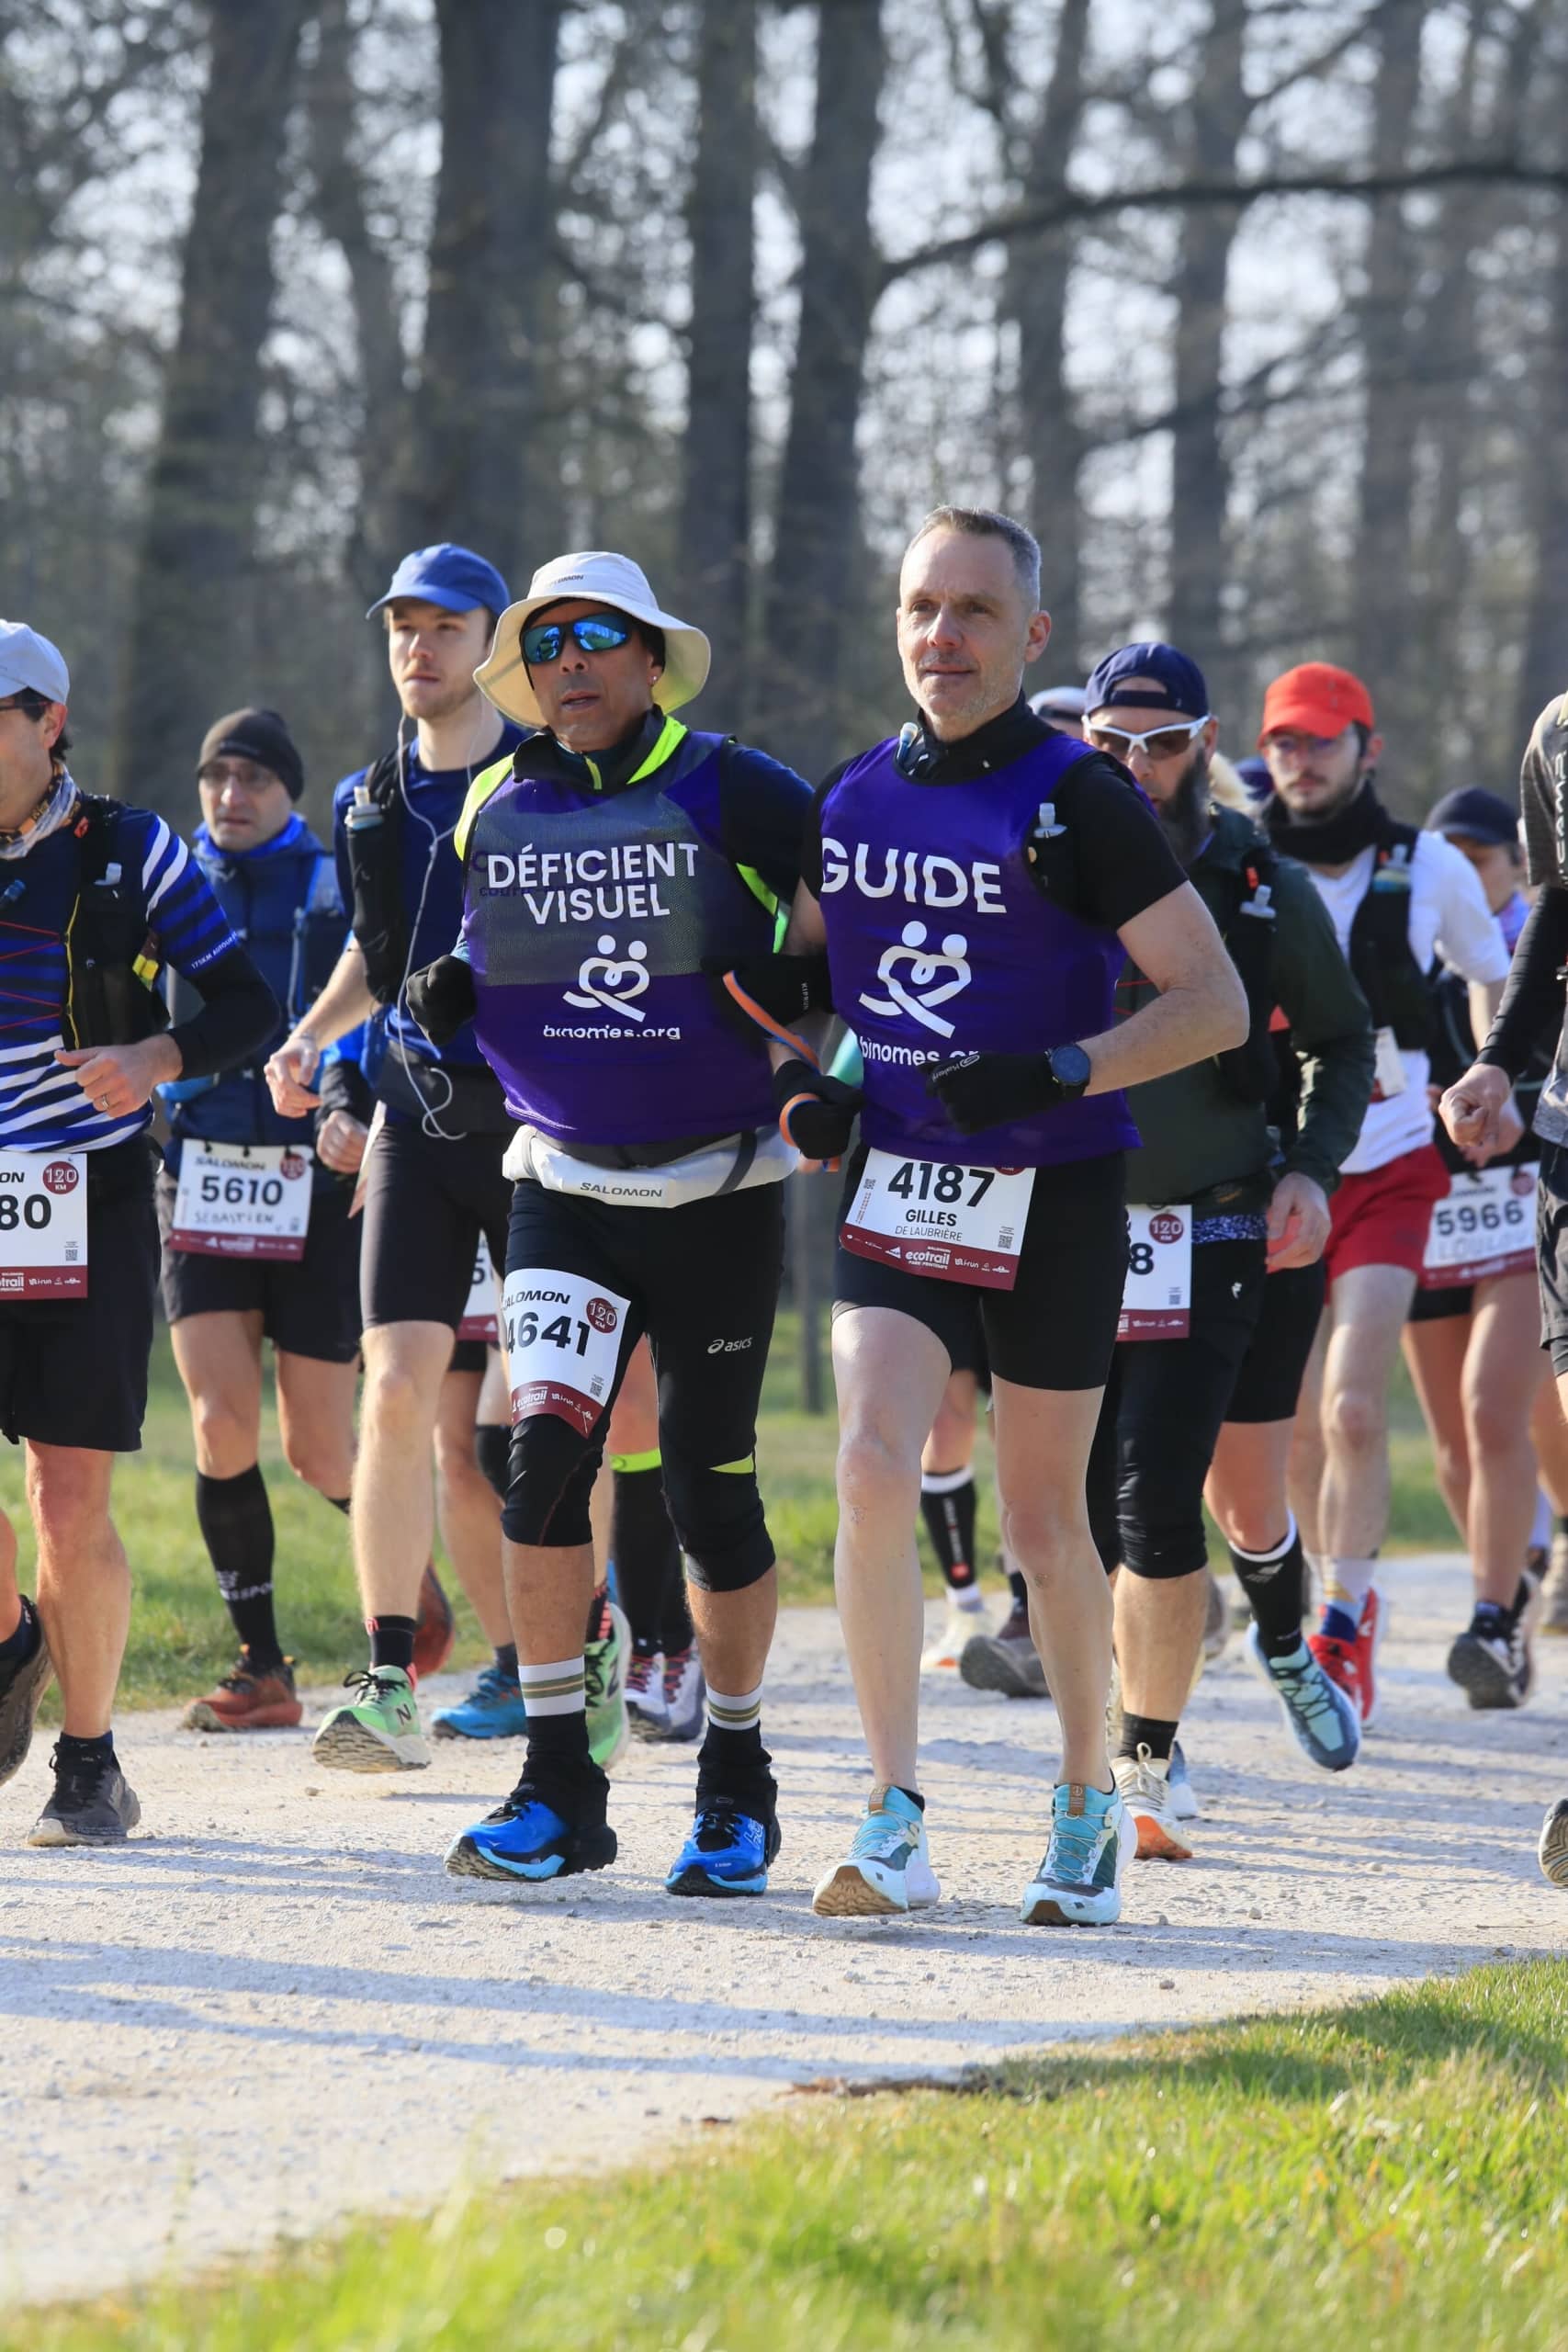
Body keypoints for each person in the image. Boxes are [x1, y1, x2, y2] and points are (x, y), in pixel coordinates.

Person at [767, 508, 1247, 1926]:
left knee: (1046, 1519)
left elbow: (1208, 1004)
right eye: (922, 607)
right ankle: (892, 1812)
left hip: (1055, 1188)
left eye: (975, 612)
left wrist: (1057, 1068)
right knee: (867, 1459)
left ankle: (1086, 1797)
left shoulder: (1076, 798)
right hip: (902, 1184)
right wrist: (818, 1088)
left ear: (1030, 636)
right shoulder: (849, 796)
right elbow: (818, 993)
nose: (943, 637)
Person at [410, 548, 813, 1896]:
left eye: (598, 638)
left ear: (651, 661)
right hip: (561, 1188)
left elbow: (853, 965)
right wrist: (441, 1009)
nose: (569, 662)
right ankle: (556, 1790)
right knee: (537, 1472)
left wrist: (804, 1028)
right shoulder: (488, 802)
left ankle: (735, 1785)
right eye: (548, 643)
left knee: (708, 1489)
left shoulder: (741, 789)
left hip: (716, 1189)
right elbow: (449, 970)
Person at [265, 544, 586, 1770]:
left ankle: (580, 1649)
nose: (417, 647)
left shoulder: (549, 778)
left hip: (540, 1124)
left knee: (550, 1410)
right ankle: (389, 1677)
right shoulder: (367, 800)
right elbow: (376, 949)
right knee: (392, 1390)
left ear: (491, 640)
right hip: (411, 1116)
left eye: (443, 626)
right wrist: (311, 1039)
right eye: (400, 625)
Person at [1073, 644, 1373, 1861]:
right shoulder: (1038, 866)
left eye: (1161, 742)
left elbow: (1341, 1041)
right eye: (1111, 744)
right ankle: (1136, 1729)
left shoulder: (1251, 874)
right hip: (1067, 1218)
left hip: (1218, 1217)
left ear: (1203, 744)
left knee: (1212, 1493)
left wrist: (1308, 1167)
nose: (1136, 767)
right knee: (1086, 1498)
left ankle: (1272, 1653)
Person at [0, 622, 275, 1841]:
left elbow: (249, 1004)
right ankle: (16, 1639)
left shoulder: (127, 852)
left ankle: (91, 1759)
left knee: (66, 1492)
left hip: (87, 1197)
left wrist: (154, 1057)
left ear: (46, 722)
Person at [1257, 662, 1508, 1726]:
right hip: (1274, 1168)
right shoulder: (1241, 856)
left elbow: (1497, 965)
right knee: (1292, 1423)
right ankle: (1327, 1593)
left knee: (1356, 1402)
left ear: (1369, 747)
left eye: (1320, 740)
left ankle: (1344, 1625)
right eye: (1283, 743)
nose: (1300, 762)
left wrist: (1498, 1067)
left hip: (1395, 1158)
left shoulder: (1430, 862)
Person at [155, 707, 366, 1733]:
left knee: (322, 1450)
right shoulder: (161, 881)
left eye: (254, 779)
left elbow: (377, 1007)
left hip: (314, 1181)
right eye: (216, 776)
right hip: (197, 1172)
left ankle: (397, 1585)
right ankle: (264, 1665)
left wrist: (350, 1111)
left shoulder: (335, 882)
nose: (231, 796)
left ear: (290, 790)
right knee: (217, 1420)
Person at [1401, 787, 1549, 1709]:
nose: (1462, 869)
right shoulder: (1407, 946)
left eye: (1480, 856)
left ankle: (1493, 1619)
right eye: (1444, 854)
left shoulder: (1546, 947)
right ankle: (1516, 1584)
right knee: (1453, 1444)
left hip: (1525, 1203)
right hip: (1433, 1209)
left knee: (1495, 1408)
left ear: (1515, 864)